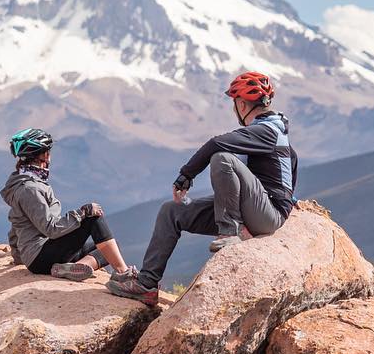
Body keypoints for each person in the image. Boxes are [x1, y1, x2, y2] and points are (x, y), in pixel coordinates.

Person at [107, 71, 297, 304]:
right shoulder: (270, 131)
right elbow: (289, 167)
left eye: (234, 102)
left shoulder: (268, 130)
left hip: (266, 215)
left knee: (222, 158)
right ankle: (147, 284)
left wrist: (186, 175)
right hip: (253, 209)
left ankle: (231, 231)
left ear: (242, 103)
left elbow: (218, 143)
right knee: (172, 211)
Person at [2, 127, 135, 282]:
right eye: (48, 152)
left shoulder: (25, 182)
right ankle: (125, 275)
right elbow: (50, 228)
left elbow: (17, 222)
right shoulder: (30, 189)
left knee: (111, 247)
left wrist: (18, 255)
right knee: (93, 218)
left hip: (42, 256)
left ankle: (73, 268)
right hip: (40, 257)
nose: (50, 157)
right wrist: (82, 213)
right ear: (42, 155)